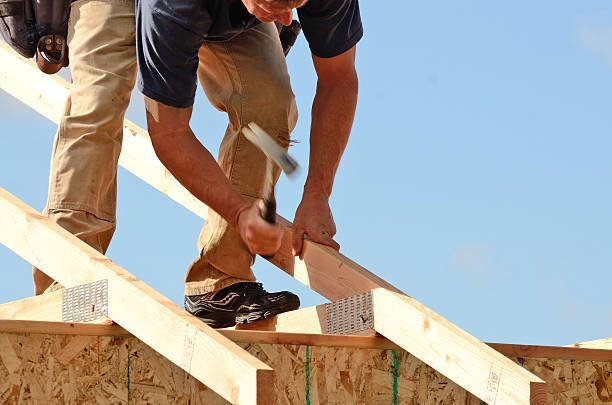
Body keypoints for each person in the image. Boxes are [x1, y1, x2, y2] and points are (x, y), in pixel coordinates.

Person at [138, 0, 362, 328]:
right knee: (99, 99)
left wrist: (318, 193)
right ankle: (71, 277)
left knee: (269, 109)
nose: (288, 19)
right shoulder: (173, 7)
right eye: (276, 3)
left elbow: (339, 77)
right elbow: (169, 132)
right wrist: (240, 213)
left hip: (222, 15)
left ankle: (218, 284)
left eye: (295, 4)